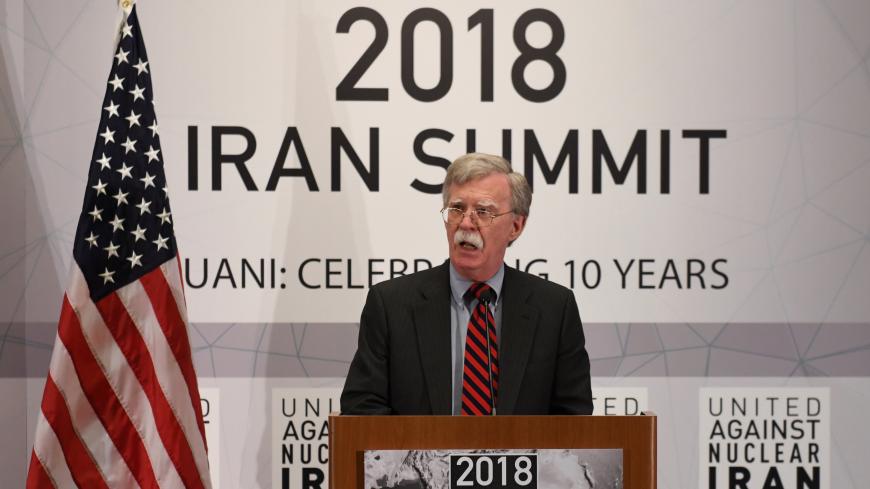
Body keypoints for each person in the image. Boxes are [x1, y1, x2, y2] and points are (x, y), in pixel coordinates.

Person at [341, 153, 592, 415]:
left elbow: (574, 417)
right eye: (457, 209)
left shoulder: (554, 309)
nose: (466, 223)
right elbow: (361, 408)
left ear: (516, 226)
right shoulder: (391, 305)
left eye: (483, 211)